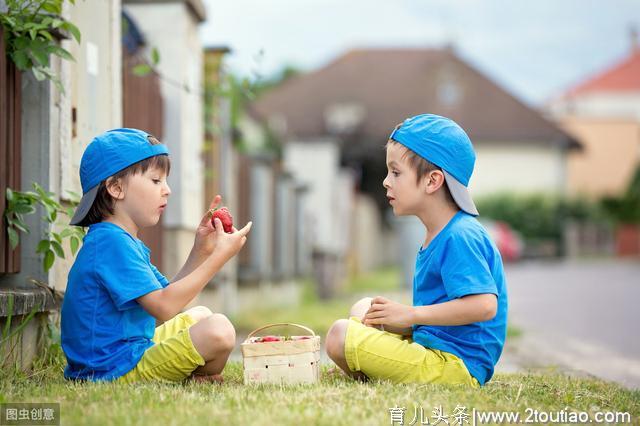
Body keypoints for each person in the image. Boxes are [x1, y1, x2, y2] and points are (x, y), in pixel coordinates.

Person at [325, 114, 507, 387]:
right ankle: (372, 363)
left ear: (432, 181)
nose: (386, 181)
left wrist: (411, 315)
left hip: (456, 366)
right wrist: (403, 319)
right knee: (363, 309)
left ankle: (370, 369)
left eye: (396, 172)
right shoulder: (439, 233)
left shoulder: (460, 235)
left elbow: (483, 305)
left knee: (340, 334)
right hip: (435, 343)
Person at [61, 128, 251, 383]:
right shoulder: (110, 242)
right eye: (156, 180)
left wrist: (202, 250)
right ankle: (191, 375)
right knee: (220, 330)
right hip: (111, 370)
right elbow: (164, 307)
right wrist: (219, 258)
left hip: (129, 353)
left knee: (202, 315)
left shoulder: (118, 239)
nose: (167, 190)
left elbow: (167, 297)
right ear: (116, 188)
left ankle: (189, 375)